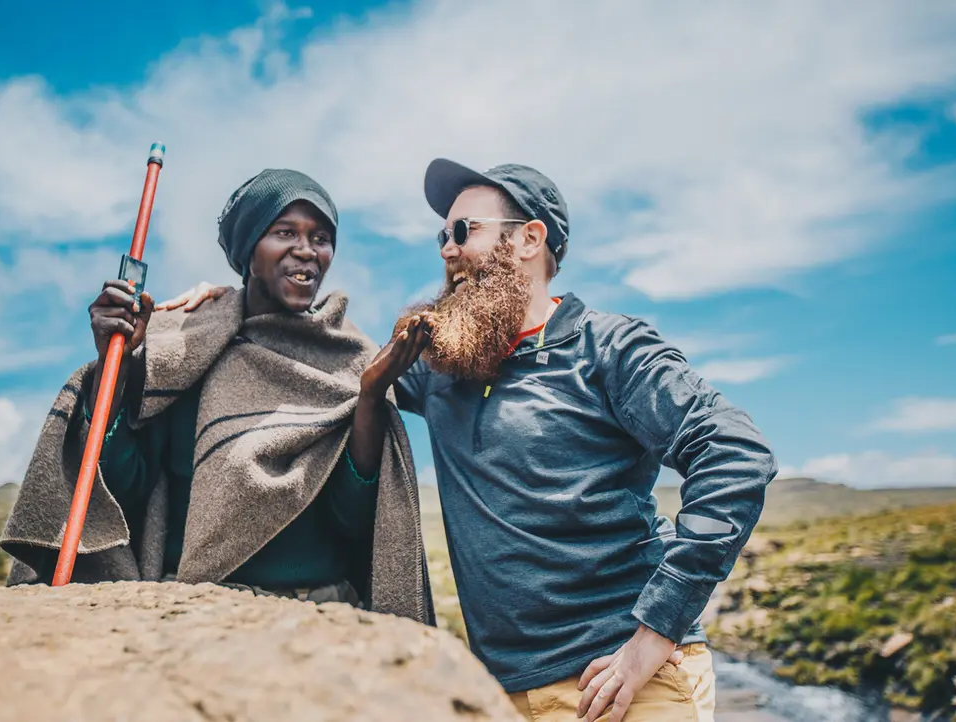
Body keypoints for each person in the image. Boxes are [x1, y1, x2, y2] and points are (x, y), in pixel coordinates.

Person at [164, 159, 778, 722]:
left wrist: (655, 635)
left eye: (466, 231)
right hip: (503, 691)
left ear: (530, 239)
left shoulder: (609, 349)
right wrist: (229, 303)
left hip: (623, 682)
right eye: (443, 238)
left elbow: (734, 454)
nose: (449, 251)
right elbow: (327, 363)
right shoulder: (442, 368)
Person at [0, 169, 433, 626]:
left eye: (321, 237)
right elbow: (123, 488)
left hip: (323, 614)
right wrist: (120, 365)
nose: (307, 250)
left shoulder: (352, 358)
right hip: (196, 617)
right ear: (249, 250)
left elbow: (355, 520)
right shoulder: (184, 349)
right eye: (285, 232)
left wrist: (369, 398)